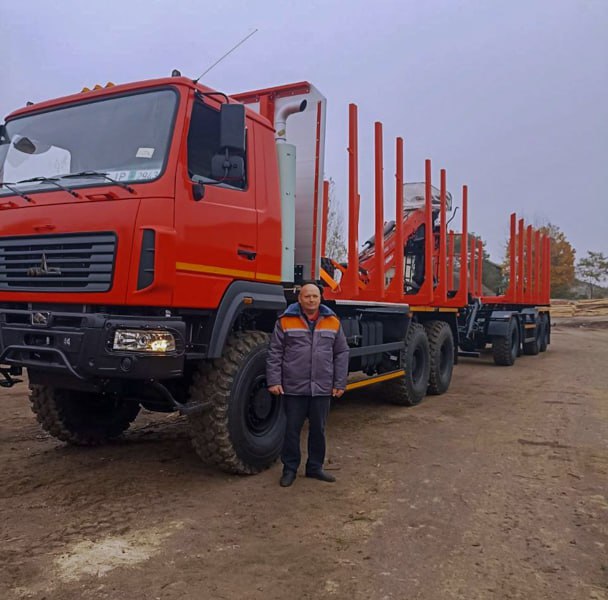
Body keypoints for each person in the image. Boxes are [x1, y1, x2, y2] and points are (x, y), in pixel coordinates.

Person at [266, 282, 349, 487]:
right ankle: (290, 469)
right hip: (293, 386)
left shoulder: (332, 321)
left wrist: (339, 382)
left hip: (321, 386)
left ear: (321, 298)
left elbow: (341, 353)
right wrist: (274, 380)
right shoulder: (285, 321)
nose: (311, 300)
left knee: (318, 429)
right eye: (307, 296)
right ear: (299, 299)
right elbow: (275, 352)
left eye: (315, 296)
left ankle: (314, 468)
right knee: (292, 430)